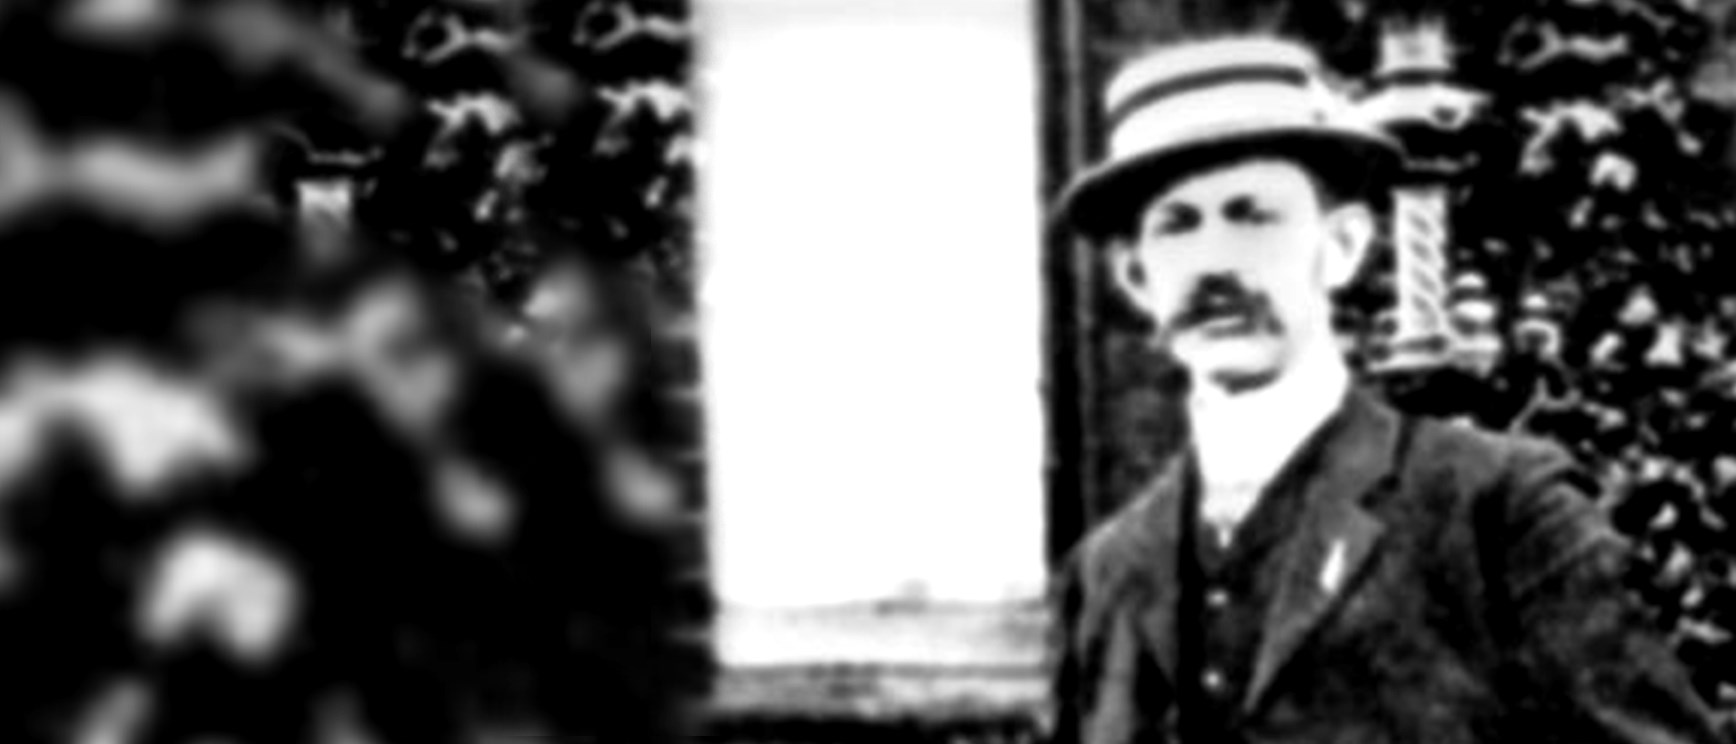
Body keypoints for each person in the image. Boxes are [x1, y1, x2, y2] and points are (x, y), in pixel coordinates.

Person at [1047, 37, 1723, 744]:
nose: (1216, 261)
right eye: (1178, 225)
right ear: (1136, 277)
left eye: (1253, 215)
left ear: (1341, 247)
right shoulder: (1105, 575)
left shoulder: (1498, 511)